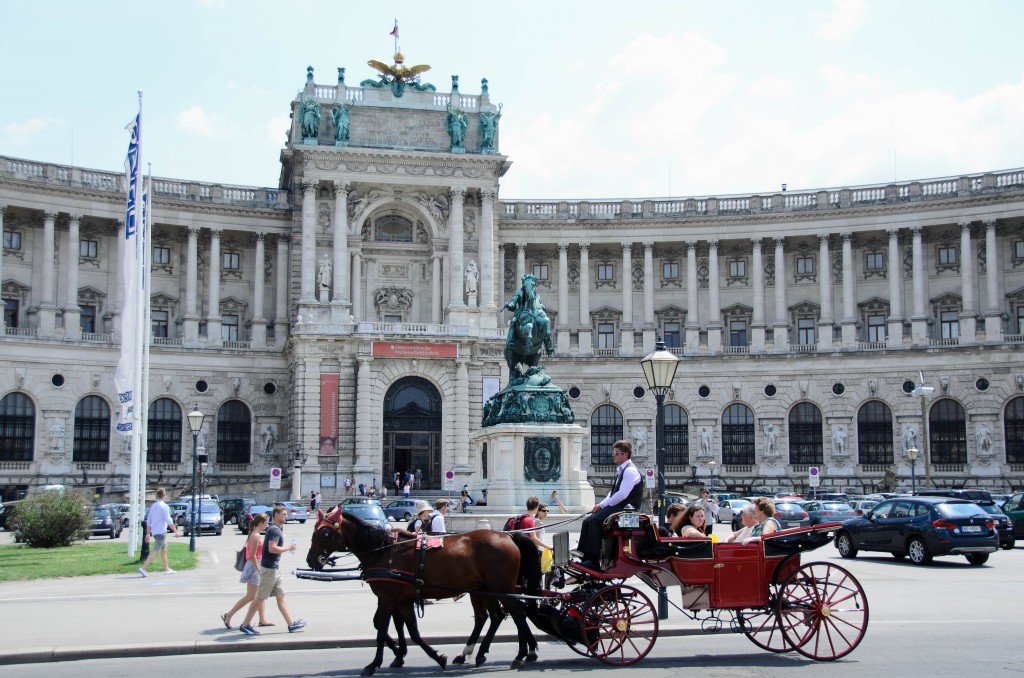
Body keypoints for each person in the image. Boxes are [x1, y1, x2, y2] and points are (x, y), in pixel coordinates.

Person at [575, 440, 643, 569]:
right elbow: (612, 493)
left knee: (595, 521)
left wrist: (603, 506)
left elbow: (622, 494)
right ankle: (585, 556)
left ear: (625, 454)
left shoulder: (630, 471)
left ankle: (594, 561)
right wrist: (600, 504)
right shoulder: (621, 470)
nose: (613, 455)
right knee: (587, 521)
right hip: (619, 507)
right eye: (614, 452)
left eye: (616, 453)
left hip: (627, 510)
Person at [239, 505, 306, 635]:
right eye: (284, 514)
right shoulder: (274, 530)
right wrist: (288, 548)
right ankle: (245, 624)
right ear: (276, 515)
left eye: (286, 514)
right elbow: (272, 548)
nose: (286, 516)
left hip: (274, 568)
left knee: (281, 596)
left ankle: (291, 624)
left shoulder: (277, 528)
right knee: (260, 597)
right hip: (269, 569)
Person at [221, 513, 272, 629]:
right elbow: (253, 556)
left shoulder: (254, 534)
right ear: (261, 523)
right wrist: (259, 571)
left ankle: (262, 619)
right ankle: (229, 615)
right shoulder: (256, 536)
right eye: (267, 522)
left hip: (254, 565)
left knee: (259, 595)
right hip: (254, 566)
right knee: (251, 596)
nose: (267, 525)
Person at [138, 488, 180, 577]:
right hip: (161, 532)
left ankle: (167, 569)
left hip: (155, 531)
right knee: (155, 550)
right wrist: (176, 531)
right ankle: (143, 568)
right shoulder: (164, 506)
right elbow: (168, 520)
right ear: (164, 496)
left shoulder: (153, 506)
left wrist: (148, 533)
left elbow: (149, 521)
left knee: (164, 549)